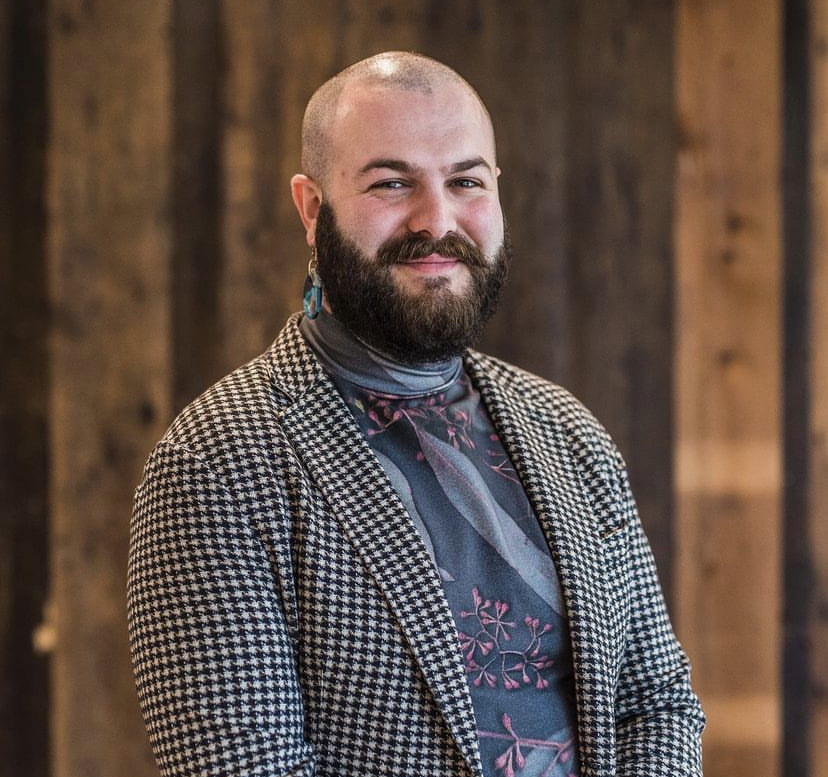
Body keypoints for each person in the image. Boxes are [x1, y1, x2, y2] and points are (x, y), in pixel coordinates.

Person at [128, 51, 704, 777]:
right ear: (312, 208)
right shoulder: (217, 464)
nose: (438, 219)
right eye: (392, 183)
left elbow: (655, 701)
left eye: (466, 181)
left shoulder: (570, 433)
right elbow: (246, 765)